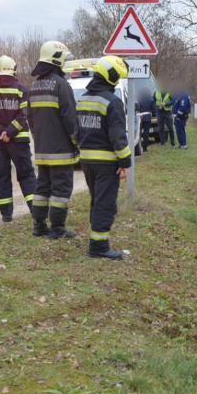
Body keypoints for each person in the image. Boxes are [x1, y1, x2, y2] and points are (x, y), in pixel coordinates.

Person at [76, 56, 131, 260]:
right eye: (117, 79)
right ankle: (99, 247)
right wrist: (125, 162)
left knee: (96, 201)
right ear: (111, 77)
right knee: (105, 204)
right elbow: (118, 136)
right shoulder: (112, 102)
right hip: (107, 163)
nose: (117, 83)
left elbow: (76, 131)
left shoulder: (83, 99)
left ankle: (96, 240)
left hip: (87, 161)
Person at [28, 41, 79, 239]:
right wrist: (77, 142)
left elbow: (30, 118)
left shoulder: (35, 85)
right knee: (61, 189)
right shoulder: (61, 85)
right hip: (61, 151)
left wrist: (39, 138)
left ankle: (39, 226)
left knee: (42, 188)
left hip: (42, 149)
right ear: (57, 59)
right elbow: (70, 119)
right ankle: (57, 228)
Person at [0, 55, 36, 222]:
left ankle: (6, 215)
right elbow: (24, 115)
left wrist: (0, 133)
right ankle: (36, 211)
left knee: (1, 176)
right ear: (13, 70)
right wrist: (9, 132)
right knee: (26, 175)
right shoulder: (21, 90)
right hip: (19, 141)